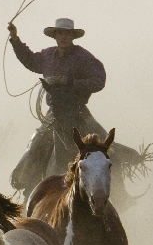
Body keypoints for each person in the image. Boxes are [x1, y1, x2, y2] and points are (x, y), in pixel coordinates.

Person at [8, 17, 108, 195]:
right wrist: (15, 39)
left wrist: (74, 84)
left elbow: (99, 80)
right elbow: (30, 60)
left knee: (104, 144)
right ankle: (28, 189)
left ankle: (118, 191)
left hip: (78, 111)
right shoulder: (47, 56)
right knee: (35, 146)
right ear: (55, 35)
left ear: (72, 36)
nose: (63, 37)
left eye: (67, 33)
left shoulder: (83, 57)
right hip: (53, 113)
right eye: (60, 33)